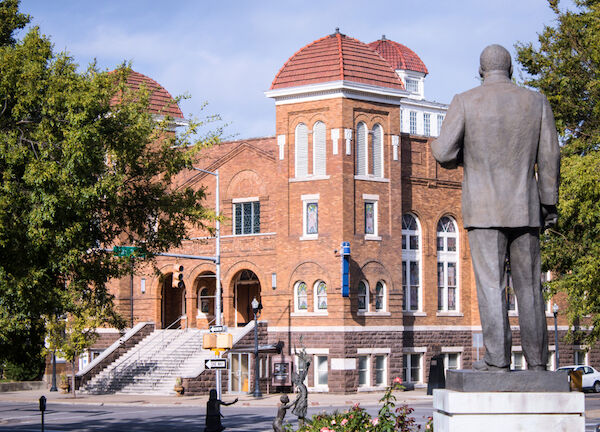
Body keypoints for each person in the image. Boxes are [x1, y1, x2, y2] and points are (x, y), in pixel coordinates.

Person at [431, 44, 560, 372]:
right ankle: (537, 364)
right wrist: (549, 204)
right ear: (511, 70)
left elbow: (443, 152)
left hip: (484, 210)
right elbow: (549, 156)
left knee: (490, 283)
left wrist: (467, 155)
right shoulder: (536, 102)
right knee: (530, 285)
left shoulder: (465, 101)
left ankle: (498, 360)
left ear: (481, 70)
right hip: (525, 208)